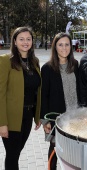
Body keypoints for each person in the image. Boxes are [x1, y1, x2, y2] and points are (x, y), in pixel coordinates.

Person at [0, 27, 41, 170]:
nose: (25, 42)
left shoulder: (34, 62)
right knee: (12, 156)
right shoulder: (5, 61)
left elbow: (36, 91)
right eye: (21, 39)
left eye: (28, 39)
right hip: (11, 119)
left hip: (27, 116)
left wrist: (37, 116)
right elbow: (1, 93)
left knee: (16, 153)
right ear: (15, 42)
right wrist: (2, 123)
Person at [40, 32, 79, 170]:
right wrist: (45, 121)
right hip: (56, 117)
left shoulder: (75, 64)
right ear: (55, 47)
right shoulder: (47, 68)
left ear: (71, 46)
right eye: (60, 45)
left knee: (74, 149)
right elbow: (43, 96)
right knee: (55, 148)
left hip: (75, 116)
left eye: (67, 44)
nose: (64, 48)